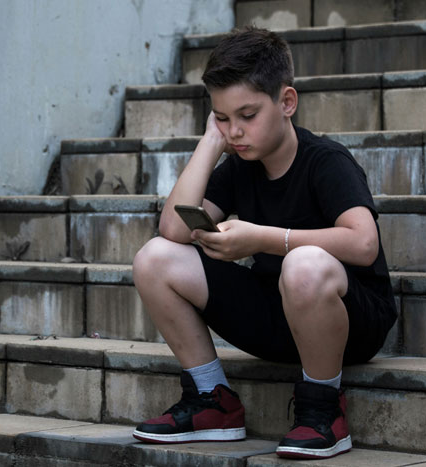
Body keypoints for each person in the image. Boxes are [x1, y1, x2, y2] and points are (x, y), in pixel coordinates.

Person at [130, 27, 397, 460]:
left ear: (286, 102)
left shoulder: (325, 161)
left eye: (247, 115)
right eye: (223, 117)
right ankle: (212, 400)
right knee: (154, 258)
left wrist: (265, 239)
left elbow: (363, 243)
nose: (235, 131)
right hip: (276, 315)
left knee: (304, 265)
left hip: (349, 321)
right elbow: (175, 231)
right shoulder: (238, 164)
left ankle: (323, 409)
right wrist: (212, 141)